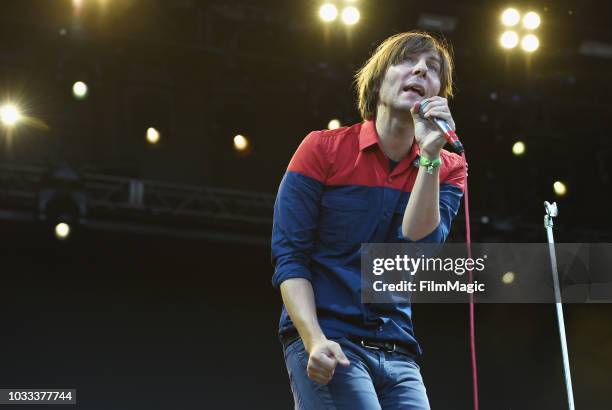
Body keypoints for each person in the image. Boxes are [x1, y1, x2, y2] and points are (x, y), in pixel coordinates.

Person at [271, 31, 466, 409]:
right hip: (332, 340)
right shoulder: (322, 150)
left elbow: (419, 248)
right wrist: (313, 340)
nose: (421, 69)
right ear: (378, 80)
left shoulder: (447, 165)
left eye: (433, 68)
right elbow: (290, 257)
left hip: (398, 351)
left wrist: (429, 156)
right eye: (408, 61)